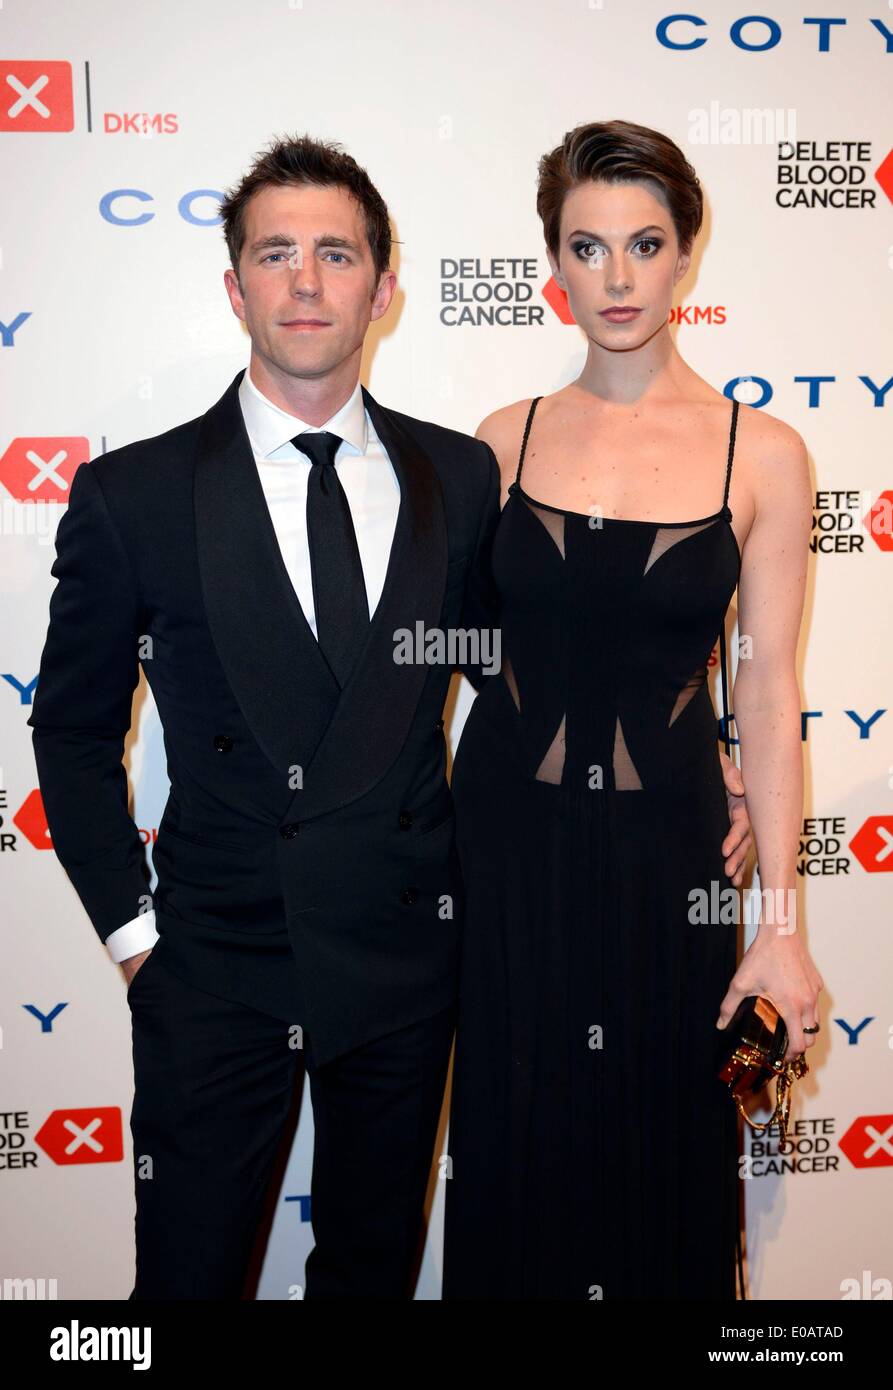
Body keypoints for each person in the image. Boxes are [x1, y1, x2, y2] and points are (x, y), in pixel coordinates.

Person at [27, 132, 751, 1302]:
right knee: (184, 1284)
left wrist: (704, 746)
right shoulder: (134, 494)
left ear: (383, 285)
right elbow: (68, 729)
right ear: (234, 286)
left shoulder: (456, 478)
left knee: (368, 1276)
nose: (305, 282)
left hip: (407, 967)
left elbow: (534, 643)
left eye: (335, 254)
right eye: (275, 254)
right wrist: (135, 940)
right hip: (213, 971)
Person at [442, 120, 823, 1300]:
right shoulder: (501, 441)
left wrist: (780, 920)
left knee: (669, 1148)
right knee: (515, 1142)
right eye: (585, 247)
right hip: (507, 848)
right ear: (552, 262)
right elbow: (460, 647)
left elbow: (761, 677)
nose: (614, 278)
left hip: (668, 858)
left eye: (642, 244)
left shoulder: (759, 452)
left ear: (684, 255)